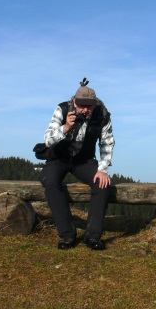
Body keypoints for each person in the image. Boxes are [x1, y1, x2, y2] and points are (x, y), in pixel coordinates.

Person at [39, 79, 115, 250]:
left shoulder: (102, 114)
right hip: (58, 158)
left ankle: (93, 236)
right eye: (81, 106)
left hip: (84, 160)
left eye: (89, 106)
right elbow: (48, 139)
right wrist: (65, 127)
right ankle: (67, 235)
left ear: (94, 104)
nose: (85, 110)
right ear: (74, 102)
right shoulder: (62, 109)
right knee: (50, 181)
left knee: (102, 185)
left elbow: (107, 143)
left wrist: (102, 170)